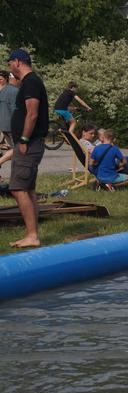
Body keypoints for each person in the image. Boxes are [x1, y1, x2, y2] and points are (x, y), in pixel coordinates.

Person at [6, 48, 49, 248]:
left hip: (29, 144)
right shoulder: (29, 82)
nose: (9, 68)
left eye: (9, 63)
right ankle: (32, 234)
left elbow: (32, 114)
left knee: (18, 188)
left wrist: (23, 139)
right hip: (30, 143)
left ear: (17, 62)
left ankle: (32, 235)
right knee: (28, 189)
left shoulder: (31, 82)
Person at [0, 70, 18, 151]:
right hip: (9, 126)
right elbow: (15, 110)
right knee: (16, 149)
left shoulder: (6, 90)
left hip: (6, 125)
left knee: (14, 149)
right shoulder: (14, 90)